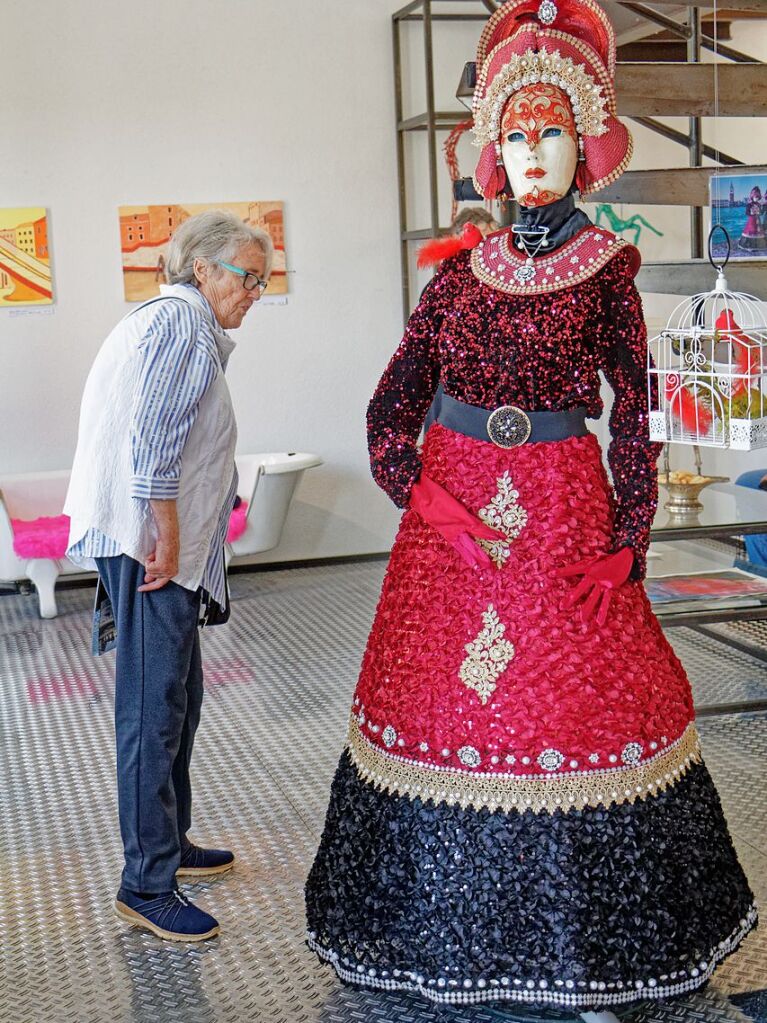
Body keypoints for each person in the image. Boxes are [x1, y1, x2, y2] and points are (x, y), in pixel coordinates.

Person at [306, 1, 755, 1018]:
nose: (533, 153)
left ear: (583, 145)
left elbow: (636, 414)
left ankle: (587, 961)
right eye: (515, 134)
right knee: (448, 709)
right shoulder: (455, 276)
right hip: (450, 531)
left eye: (550, 132)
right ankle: (430, 943)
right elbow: (389, 405)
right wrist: (419, 492)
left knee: (574, 713)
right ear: (492, 152)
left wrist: (627, 541)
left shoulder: (607, 275)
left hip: (561, 513)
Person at [64, 210, 273, 941]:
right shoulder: (181, 324)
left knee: (177, 702)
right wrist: (166, 530)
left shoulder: (176, 324)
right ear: (203, 269)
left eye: (264, 279)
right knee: (152, 712)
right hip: (150, 543)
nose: (255, 291)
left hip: (157, 543)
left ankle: (170, 842)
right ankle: (145, 882)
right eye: (247, 275)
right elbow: (153, 438)